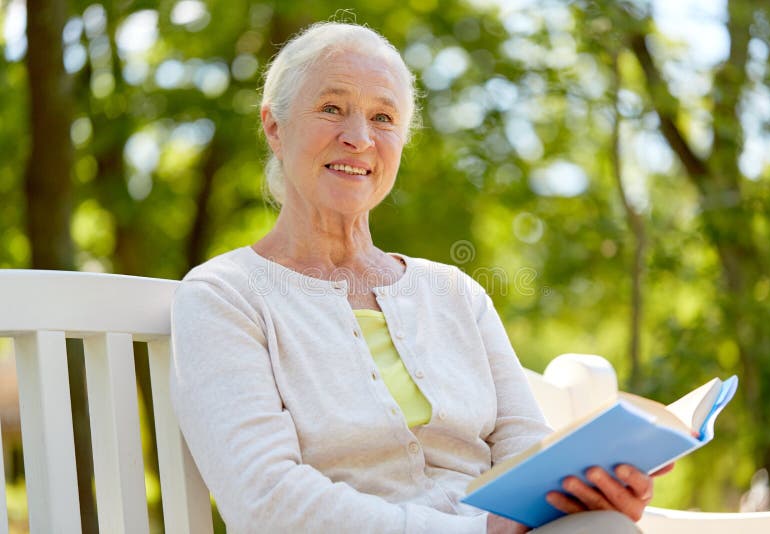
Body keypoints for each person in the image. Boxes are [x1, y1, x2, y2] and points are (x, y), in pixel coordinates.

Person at [170, 21, 668, 533]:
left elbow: (524, 448)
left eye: (382, 117)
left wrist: (589, 495)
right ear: (275, 127)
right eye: (332, 108)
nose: (359, 138)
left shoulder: (455, 293)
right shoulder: (223, 296)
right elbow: (266, 501)